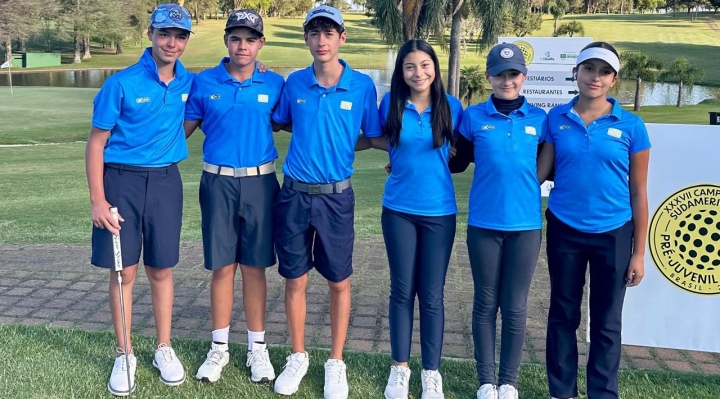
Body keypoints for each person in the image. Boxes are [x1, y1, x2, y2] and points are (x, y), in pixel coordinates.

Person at [270, 5, 382, 399]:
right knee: (295, 277)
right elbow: (280, 119)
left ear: (342, 38)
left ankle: (336, 361)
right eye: (314, 33)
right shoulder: (294, 83)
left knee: (339, 280)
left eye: (329, 32)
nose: (321, 40)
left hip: (337, 197)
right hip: (294, 193)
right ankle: (298, 355)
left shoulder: (362, 86)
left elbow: (374, 134)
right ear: (307, 38)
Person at [85, 3, 194, 396]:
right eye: (165, 33)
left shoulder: (188, 82)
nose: (172, 42)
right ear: (150, 33)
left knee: (161, 269)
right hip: (121, 183)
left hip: (166, 182)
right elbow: (96, 143)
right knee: (123, 272)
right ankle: (125, 352)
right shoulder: (122, 83)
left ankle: (163, 347)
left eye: (180, 36)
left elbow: (226, 75)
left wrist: (262, 68)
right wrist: (98, 200)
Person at [537, 42, 651, 399]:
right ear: (576, 73)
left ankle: (602, 392)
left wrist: (638, 253)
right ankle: (562, 391)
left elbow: (639, 192)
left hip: (614, 233)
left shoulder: (632, 125)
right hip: (564, 228)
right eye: (589, 69)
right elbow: (537, 173)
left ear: (614, 79)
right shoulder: (556, 118)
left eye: (604, 72)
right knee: (563, 314)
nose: (595, 77)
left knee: (606, 321)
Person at [184, 9, 284, 384]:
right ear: (227, 41)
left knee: (255, 267)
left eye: (251, 39)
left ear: (261, 43)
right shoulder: (203, 81)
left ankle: (258, 349)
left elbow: (299, 122)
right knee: (222, 267)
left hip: (261, 183)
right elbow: (182, 131)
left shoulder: (275, 83)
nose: (243, 46)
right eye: (236, 38)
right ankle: (219, 348)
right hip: (217, 182)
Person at [362, 39, 463, 399]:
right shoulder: (389, 103)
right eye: (409, 66)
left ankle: (431, 373)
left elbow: (461, 153)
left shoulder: (452, 107)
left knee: (431, 295)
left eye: (424, 65)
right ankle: (400, 369)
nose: (418, 72)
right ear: (400, 72)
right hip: (399, 211)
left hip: (440, 213)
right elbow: (376, 138)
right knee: (402, 291)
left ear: (434, 68)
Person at [450, 43, 548, 399]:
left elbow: (551, 164)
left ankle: (509, 382)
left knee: (516, 304)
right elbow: (455, 163)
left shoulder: (540, 119)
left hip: (525, 226)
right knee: (485, 302)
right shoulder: (473, 117)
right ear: (489, 76)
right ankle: (486, 381)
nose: (507, 80)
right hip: (484, 225)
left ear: (523, 77)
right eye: (500, 74)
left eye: (513, 74)